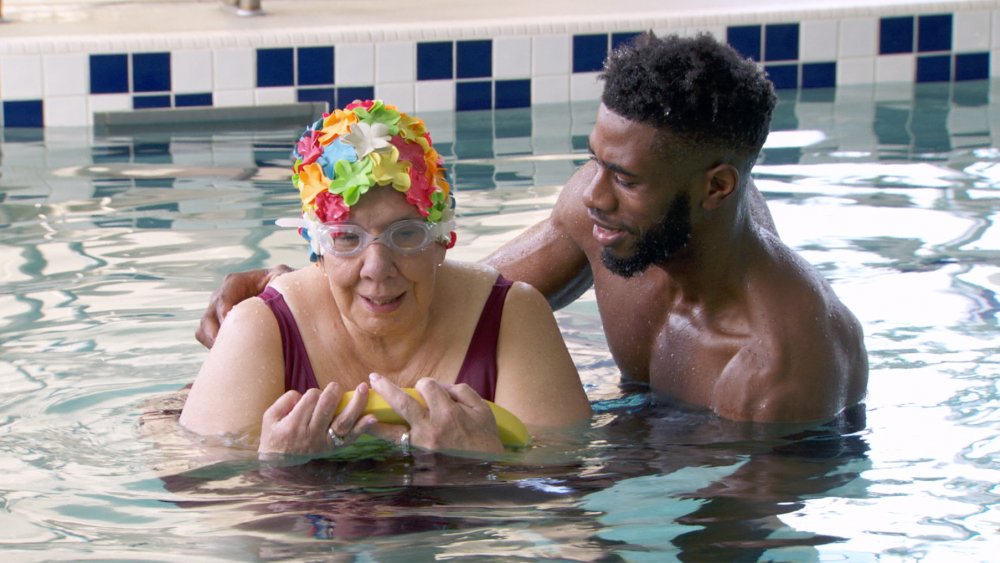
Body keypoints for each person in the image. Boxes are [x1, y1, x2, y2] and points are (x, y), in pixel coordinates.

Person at [195, 33, 868, 424]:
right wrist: (302, 294)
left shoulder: (782, 369)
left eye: (625, 179)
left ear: (717, 186)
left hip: (735, 469)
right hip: (624, 427)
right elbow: (455, 300)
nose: (591, 193)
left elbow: (729, 524)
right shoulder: (603, 215)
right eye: (593, 160)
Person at [179, 100, 591, 457]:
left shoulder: (513, 317)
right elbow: (204, 500)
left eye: (406, 234)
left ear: (441, 240)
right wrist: (278, 471)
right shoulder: (261, 328)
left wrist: (484, 462)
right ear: (317, 248)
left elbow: (567, 499)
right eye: (346, 238)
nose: (376, 267)